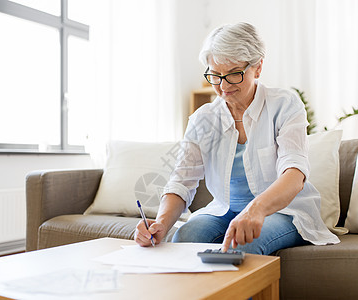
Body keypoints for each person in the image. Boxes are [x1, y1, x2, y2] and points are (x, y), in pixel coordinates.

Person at [135, 22, 339, 254]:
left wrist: (256, 209)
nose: (222, 86)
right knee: (184, 236)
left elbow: (294, 174)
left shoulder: (284, 105)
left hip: (284, 211)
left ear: (258, 67)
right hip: (224, 211)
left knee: (245, 242)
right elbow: (182, 181)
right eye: (215, 75)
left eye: (233, 75)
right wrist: (161, 222)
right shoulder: (204, 119)